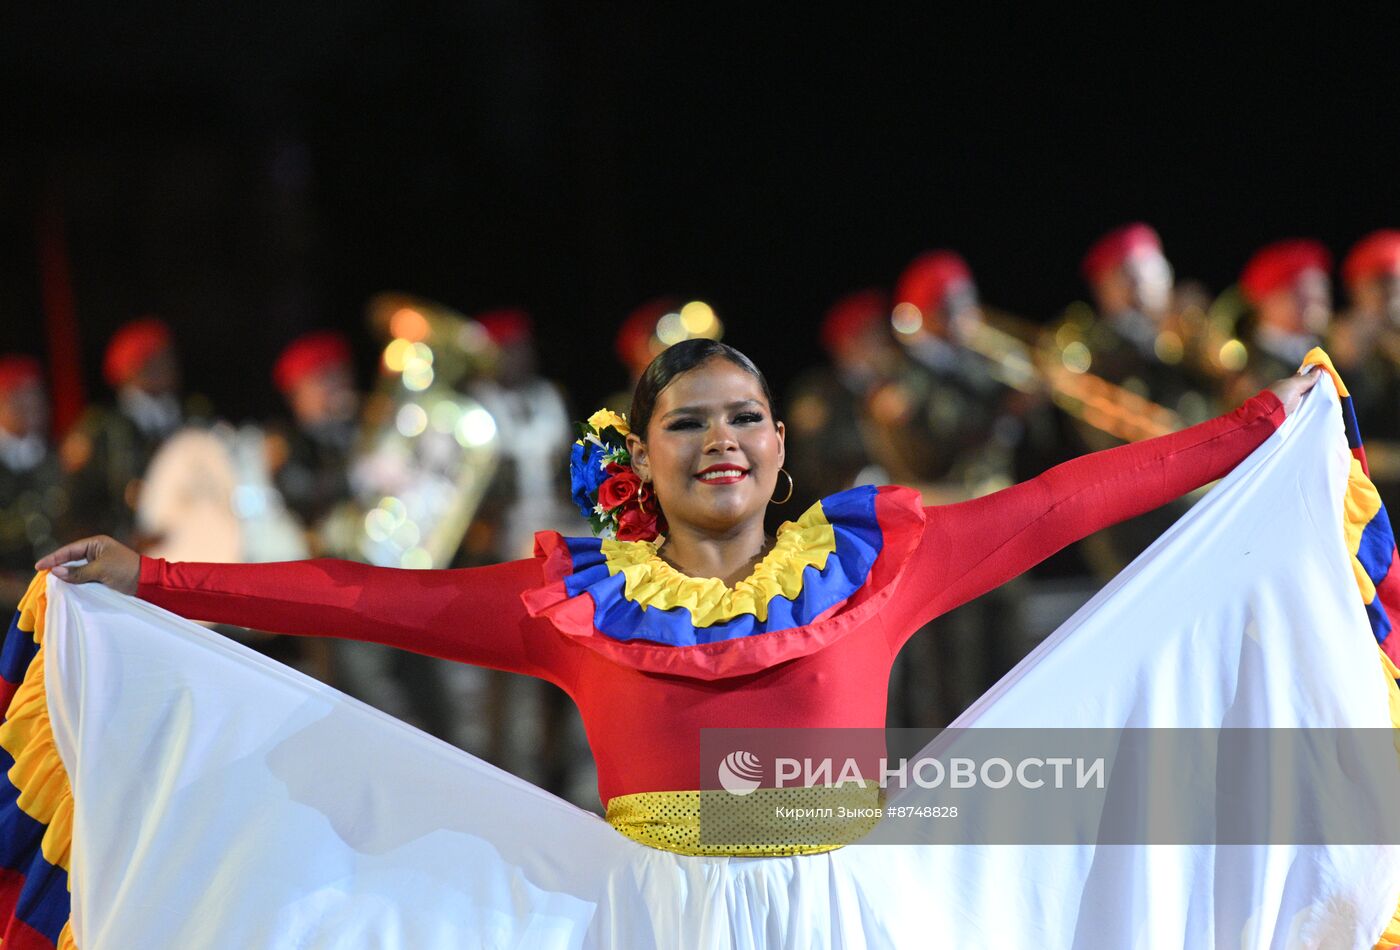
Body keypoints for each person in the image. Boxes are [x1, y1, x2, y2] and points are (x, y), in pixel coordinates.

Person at [41, 337, 1319, 832]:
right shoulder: (570, 605)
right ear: (639, 460)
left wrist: (1263, 420)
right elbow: (356, 591)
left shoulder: (880, 560)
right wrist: (154, 574)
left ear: (776, 444)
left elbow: (1069, 497)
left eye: (748, 415)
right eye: (690, 419)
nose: (724, 435)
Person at [0, 356, 64, 613]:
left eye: (36, 395)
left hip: (58, 593)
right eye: (18, 397)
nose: (33, 405)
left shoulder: (59, 456)